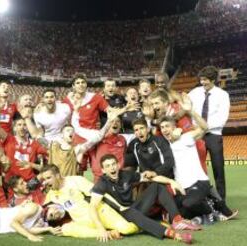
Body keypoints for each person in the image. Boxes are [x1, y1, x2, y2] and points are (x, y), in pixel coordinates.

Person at [159, 94, 238, 221]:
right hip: (183, 187)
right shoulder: (164, 145)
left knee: (188, 204)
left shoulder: (186, 137)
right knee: (179, 213)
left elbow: (205, 128)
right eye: (162, 127)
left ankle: (212, 209)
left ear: (174, 127)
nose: (164, 130)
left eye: (167, 126)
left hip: (199, 182)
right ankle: (208, 206)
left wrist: (191, 112)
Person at [89, 154, 199, 243]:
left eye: (113, 164)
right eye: (107, 166)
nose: (112, 168)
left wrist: (171, 181)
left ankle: (177, 219)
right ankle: (173, 234)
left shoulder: (126, 174)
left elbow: (152, 178)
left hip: (133, 208)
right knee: (130, 212)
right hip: (121, 214)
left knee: (156, 186)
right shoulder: (102, 183)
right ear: (103, 170)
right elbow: (92, 206)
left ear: (118, 165)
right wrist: (100, 229)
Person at [40, 164, 139, 240]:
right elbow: (40, 213)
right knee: (65, 229)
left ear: (57, 175)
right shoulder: (51, 194)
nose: (46, 182)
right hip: (83, 223)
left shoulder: (75, 180)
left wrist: (119, 206)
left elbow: (101, 194)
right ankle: (109, 234)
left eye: (49, 178)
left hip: (100, 213)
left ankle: (141, 222)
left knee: (127, 229)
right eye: (44, 179)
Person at [188, 66, 230, 200]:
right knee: (196, 167)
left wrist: (204, 127)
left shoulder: (223, 95)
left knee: (218, 168)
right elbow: (186, 106)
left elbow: (222, 118)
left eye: (205, 80)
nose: (202, 83)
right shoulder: (194, 92)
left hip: (213, 135)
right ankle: (200, 198)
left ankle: (221, 200)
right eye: (201, 80)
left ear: (213, 80)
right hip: (197, 134)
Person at [3, 116, 47, 184]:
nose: (22, 127)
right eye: (19, 125)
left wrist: (31, 165)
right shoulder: (9, 140)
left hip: (29, 182)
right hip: (13, 182)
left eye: (25, 125)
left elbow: (42, 168)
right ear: (14, 128)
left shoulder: (34, 144)